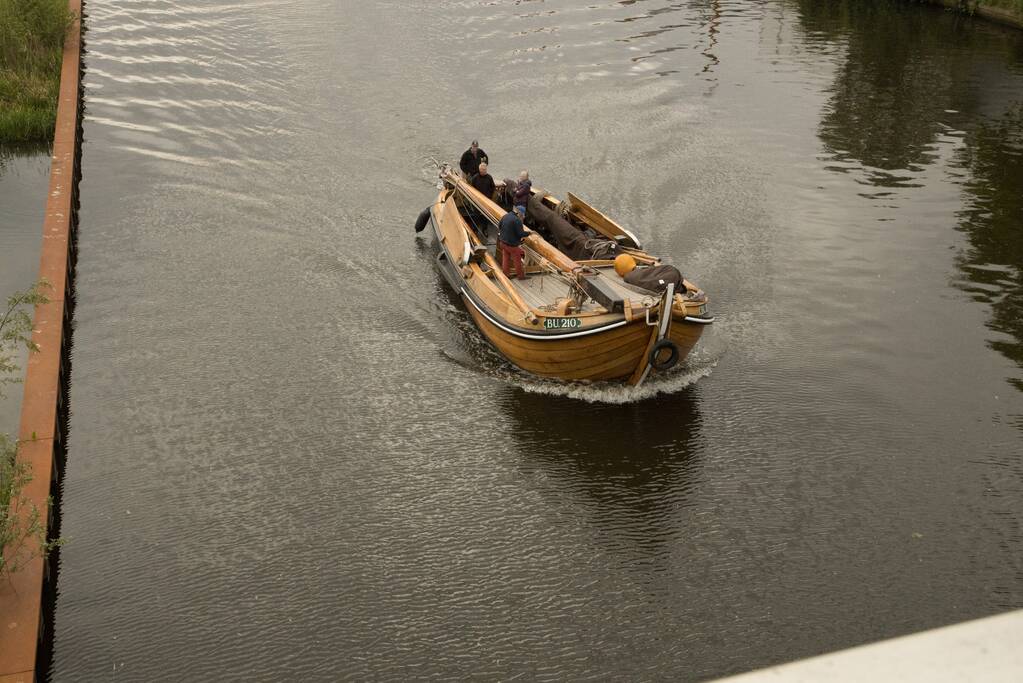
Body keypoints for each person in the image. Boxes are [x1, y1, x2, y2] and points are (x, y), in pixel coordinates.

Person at [499, 206, 529, 279]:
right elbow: (521, 234)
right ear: (520, 213)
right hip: (511, 245)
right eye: (523, 215)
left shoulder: (505, 216)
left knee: (506, 258)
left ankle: (506, 275)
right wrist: (529, 233)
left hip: (502, 242)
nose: (523, 216)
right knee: (517, 260)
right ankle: (521, 276)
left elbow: (499, 226)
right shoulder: (517, 220)